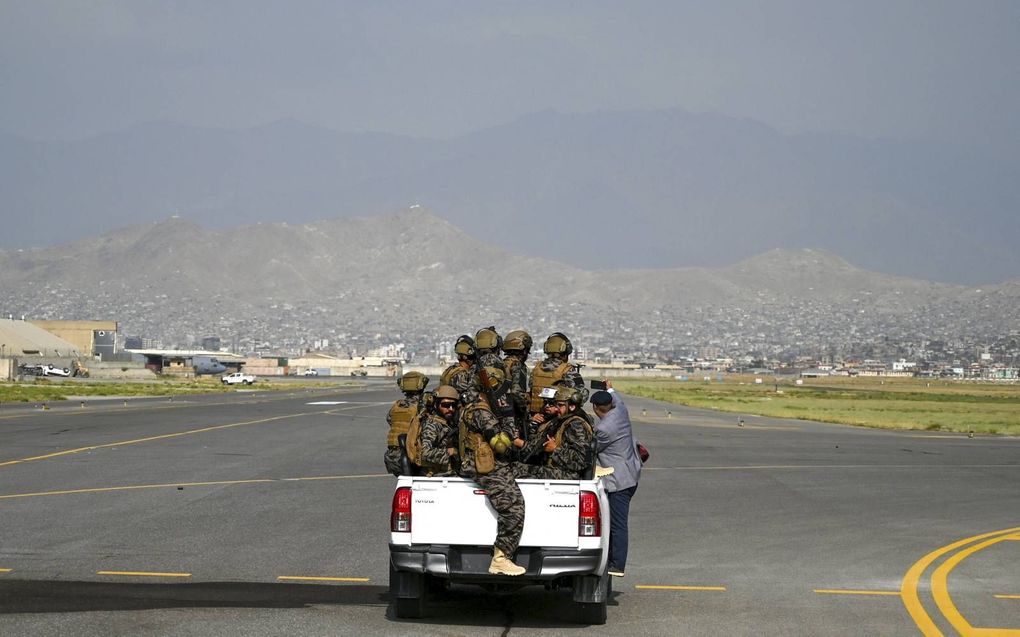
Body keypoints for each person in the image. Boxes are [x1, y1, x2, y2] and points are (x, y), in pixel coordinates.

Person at [455, 370, 527, 576]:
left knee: (532, 470)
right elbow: (501, 445)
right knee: (513, 505)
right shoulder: (482, 411)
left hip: (484, 461)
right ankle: (501, 557)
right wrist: (509, 428)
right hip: (482, 465)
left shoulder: (475, 406)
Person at [590, 385, 641, 577]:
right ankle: (612, 558)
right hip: (631, 474)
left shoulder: (604, 429)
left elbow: (591, 448)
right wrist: (609, 388)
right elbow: (618, 398)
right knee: (614, 522)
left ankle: (617, 564)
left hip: (619, 481)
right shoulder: (620, 411)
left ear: (595, 408)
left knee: (617, 524)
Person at [515, 385, 593, 480]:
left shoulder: (576, 425)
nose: (556, 409)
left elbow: (581, 461)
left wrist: (555, 449)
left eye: (560, 405)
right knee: (515, 466)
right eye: (556, 405)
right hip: (557, 470)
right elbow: (538, 444)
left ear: (572, 407)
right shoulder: (561, 421)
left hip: (568, 475)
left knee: (515, 471)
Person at [383, 371, 429, 476]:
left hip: (393, 457)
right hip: (411, 456)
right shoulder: (422, 407)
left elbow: (390, 421)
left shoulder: (397, 406)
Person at [530, 332, 587, 414]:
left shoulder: (536, 369)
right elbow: (580, 396)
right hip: (558, 416)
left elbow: (532, 391)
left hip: (536, 415)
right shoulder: (567, 370)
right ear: (565, 352)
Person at [415, 384, 460, 476]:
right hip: (436, 474)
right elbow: (425, 453)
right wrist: (450, 452)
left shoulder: (445, 422)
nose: (450, 409)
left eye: (453, 405)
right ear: (436, 405)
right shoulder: (432, 425)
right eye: (446, 405)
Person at [501, 329, 533, 438]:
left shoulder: (502, 363)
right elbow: (516, 392)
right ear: (523, 350)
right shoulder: (517, 366)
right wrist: (525, 410)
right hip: (512, 416)